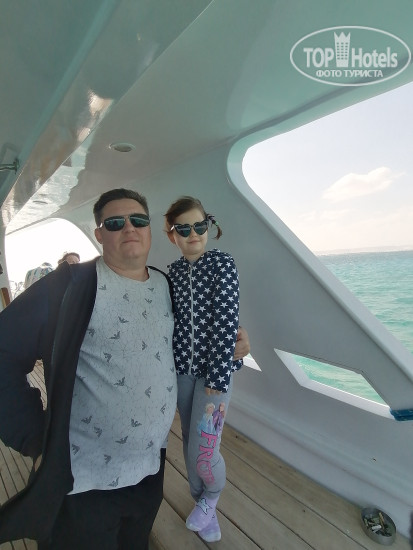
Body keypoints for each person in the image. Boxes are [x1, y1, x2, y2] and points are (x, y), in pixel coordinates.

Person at [0, 188, 250, 550]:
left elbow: (198, 331)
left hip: (148, 477)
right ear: (99, 234)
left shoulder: (165, 285)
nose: (129, 228)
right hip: (82, 486)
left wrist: (235, 346)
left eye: (138, 220)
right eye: (115, 223)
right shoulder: (68, 286)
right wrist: (35, 438)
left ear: (150, 230)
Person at [164, 196, 243, 543]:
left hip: (215, 377)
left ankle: (211, 495)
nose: (193, 233)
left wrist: (218, 376)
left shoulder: (222, 264)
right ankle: (202, 503)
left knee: (205, 451)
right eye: (184, 229)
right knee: (190, 442)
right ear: (172, 235)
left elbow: (226, 320)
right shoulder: (173, 273)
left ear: (208, 227)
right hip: (183, 371)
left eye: (199, 226)